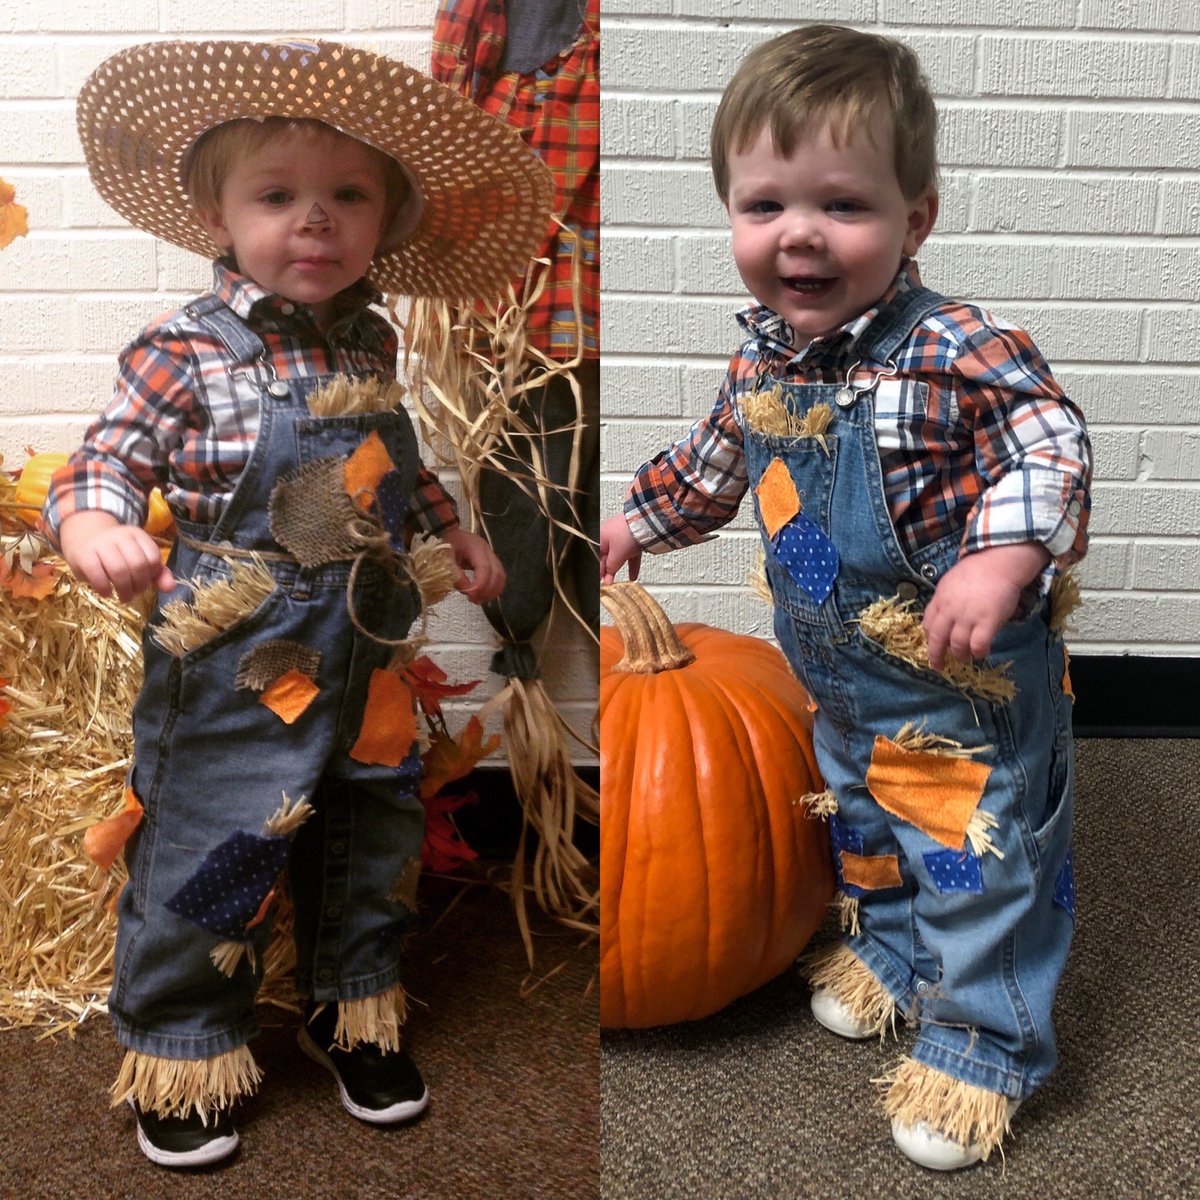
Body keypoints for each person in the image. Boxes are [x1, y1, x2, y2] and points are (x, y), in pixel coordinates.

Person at [44, 37, 553, 1169]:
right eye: (278, 197)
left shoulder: (373, 341)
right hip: (244, 651)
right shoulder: (185, 352)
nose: (313, 221)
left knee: (368, 833)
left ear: (386, 224)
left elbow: (397, 464)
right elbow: (104, 462)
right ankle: (187, 1039)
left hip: (368, 637)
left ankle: (352, 1002)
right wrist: (92, 524)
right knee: (219, 838)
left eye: (347, 197)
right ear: (218, 217)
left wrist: (450, 529)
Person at [600, 25, 1091, 1171]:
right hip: (837, 683)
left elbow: (1050, 445)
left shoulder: (956, 348)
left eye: (843, 206)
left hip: (950, 690)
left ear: (914, 218)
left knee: (973, 857)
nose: (800, 235)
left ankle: (986, 1047)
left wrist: (999, 558)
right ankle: (897, 954)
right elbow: (714, 467)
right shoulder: (763, 362)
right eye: (765, 206)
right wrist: (633, 523)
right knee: (866, 829)